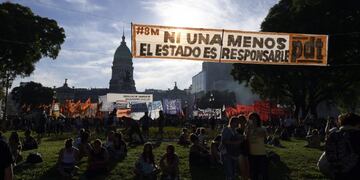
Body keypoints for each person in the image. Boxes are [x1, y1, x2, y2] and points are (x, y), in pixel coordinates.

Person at [325, 113, 360, 179]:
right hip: (354, 172)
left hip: (336, 172)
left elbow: (329, 155)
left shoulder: (333, 135)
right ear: (357, 123)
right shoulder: (357, 135)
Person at [247, 112, 268, 180]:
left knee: (263, 173)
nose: (253, 120)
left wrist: (255, 129)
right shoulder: (248, 129)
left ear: (257, 119)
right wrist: (249, 129)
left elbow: (265, 139)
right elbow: (247, 140)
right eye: (251, 119)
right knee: (253, 173)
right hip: (252, 153)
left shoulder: (262, 128)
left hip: (261, 153)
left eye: (254, 118)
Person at [237, 115, 250, 180]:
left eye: (242, 120)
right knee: (242, 168)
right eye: (239, 120)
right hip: (240, 151)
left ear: (245, 121)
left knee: (248, 168)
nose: (241, 121)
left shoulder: (248, 129)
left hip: (248, 150)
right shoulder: (237, 130)